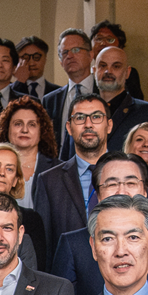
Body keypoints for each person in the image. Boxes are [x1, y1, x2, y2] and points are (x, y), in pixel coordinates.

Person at [50, 151, 148, 295]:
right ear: (98, 194)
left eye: (131, 183)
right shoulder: (72, 245)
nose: (121, 192)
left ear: (145, 191)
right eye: (112, 184)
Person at [33, 93, 113, 269]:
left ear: (109, 125)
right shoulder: (48, 181)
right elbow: (44, 247)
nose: (88, 124)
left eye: (96, 117)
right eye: (80, 118)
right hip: (70, 279)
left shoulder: (135, 173)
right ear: (69, 128)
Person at [90, 45, 148, 157]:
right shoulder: (79, 114)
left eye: (116, 66)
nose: (108, 71)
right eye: (102, 66)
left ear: (127, 72)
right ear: (94, 71)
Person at [0, 142, 48, 267]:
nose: (2, 173)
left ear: (15, 180)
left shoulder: (31, 220)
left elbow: (37, 270)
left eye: (9, 169)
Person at [0, 96, 60, 208]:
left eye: (32, 125)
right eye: (18, 124)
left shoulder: (58, 170)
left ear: (41, 131)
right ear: (7, 129)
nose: (24, 130)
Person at [41, 29, 95, 154]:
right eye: (65, 52)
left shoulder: (104, 93)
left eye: (76, 50)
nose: (70, 56)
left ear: (90, 55)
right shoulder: (50, 100)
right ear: (60, 61)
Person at [91, 20, 144, 100]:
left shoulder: (130, 74)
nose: (103, 43)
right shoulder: (85, 74)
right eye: (98, 39)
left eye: (110, 40)